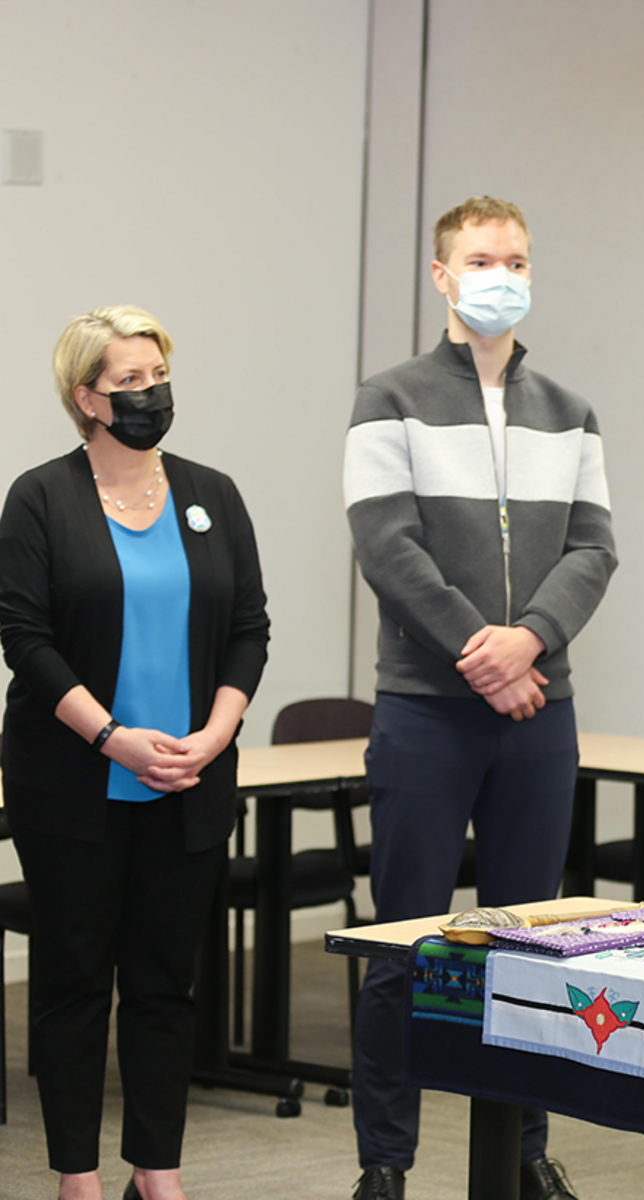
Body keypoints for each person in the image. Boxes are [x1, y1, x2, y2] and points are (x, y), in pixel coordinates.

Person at [343, 196, 617, 1200]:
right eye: (480, 258)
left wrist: (529, 643)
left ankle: (524, 1150)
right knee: (402, 942)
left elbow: (595, 547)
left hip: (540, 710)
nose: (499, 272)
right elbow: (386, 544)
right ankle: (386, 1162)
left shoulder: (570, 409)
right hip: (426, 706)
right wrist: (479, 648)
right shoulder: (389, 399)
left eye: (515, 258)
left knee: (533, 942)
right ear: (441, 275)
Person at [0, 307, 270, 1200]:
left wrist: (217, 732)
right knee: (75, 981)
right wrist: (113, 736)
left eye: (158, 376)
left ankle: (157, 1172)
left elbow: (247, 630)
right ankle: (77, 1175)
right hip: (74, 778)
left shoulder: (212, 494)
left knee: (166, 984)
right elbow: (25, 638)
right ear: (87, 397)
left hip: (189, 780)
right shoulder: (41, 496)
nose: (151, 393)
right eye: (129, 381)